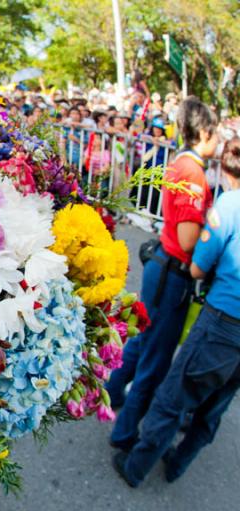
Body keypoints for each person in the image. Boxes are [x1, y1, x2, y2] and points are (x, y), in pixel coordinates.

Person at [113, 138, 240, 487]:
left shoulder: (229, 204)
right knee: (214, 406)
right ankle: (177, 464)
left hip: (224, 321)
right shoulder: (196, 176)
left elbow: (198, 265)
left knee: (173, 396)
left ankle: (134, 466)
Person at [106, 97, 219, 451]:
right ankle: (124, 434)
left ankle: (110, 397)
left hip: (162, 267)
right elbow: (189, 238)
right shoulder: (194, 173)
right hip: (173, 272)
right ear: (203, 132)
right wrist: (214, 233)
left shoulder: (180, 162)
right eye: (216, 133)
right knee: (154, 361)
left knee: (141, 344)